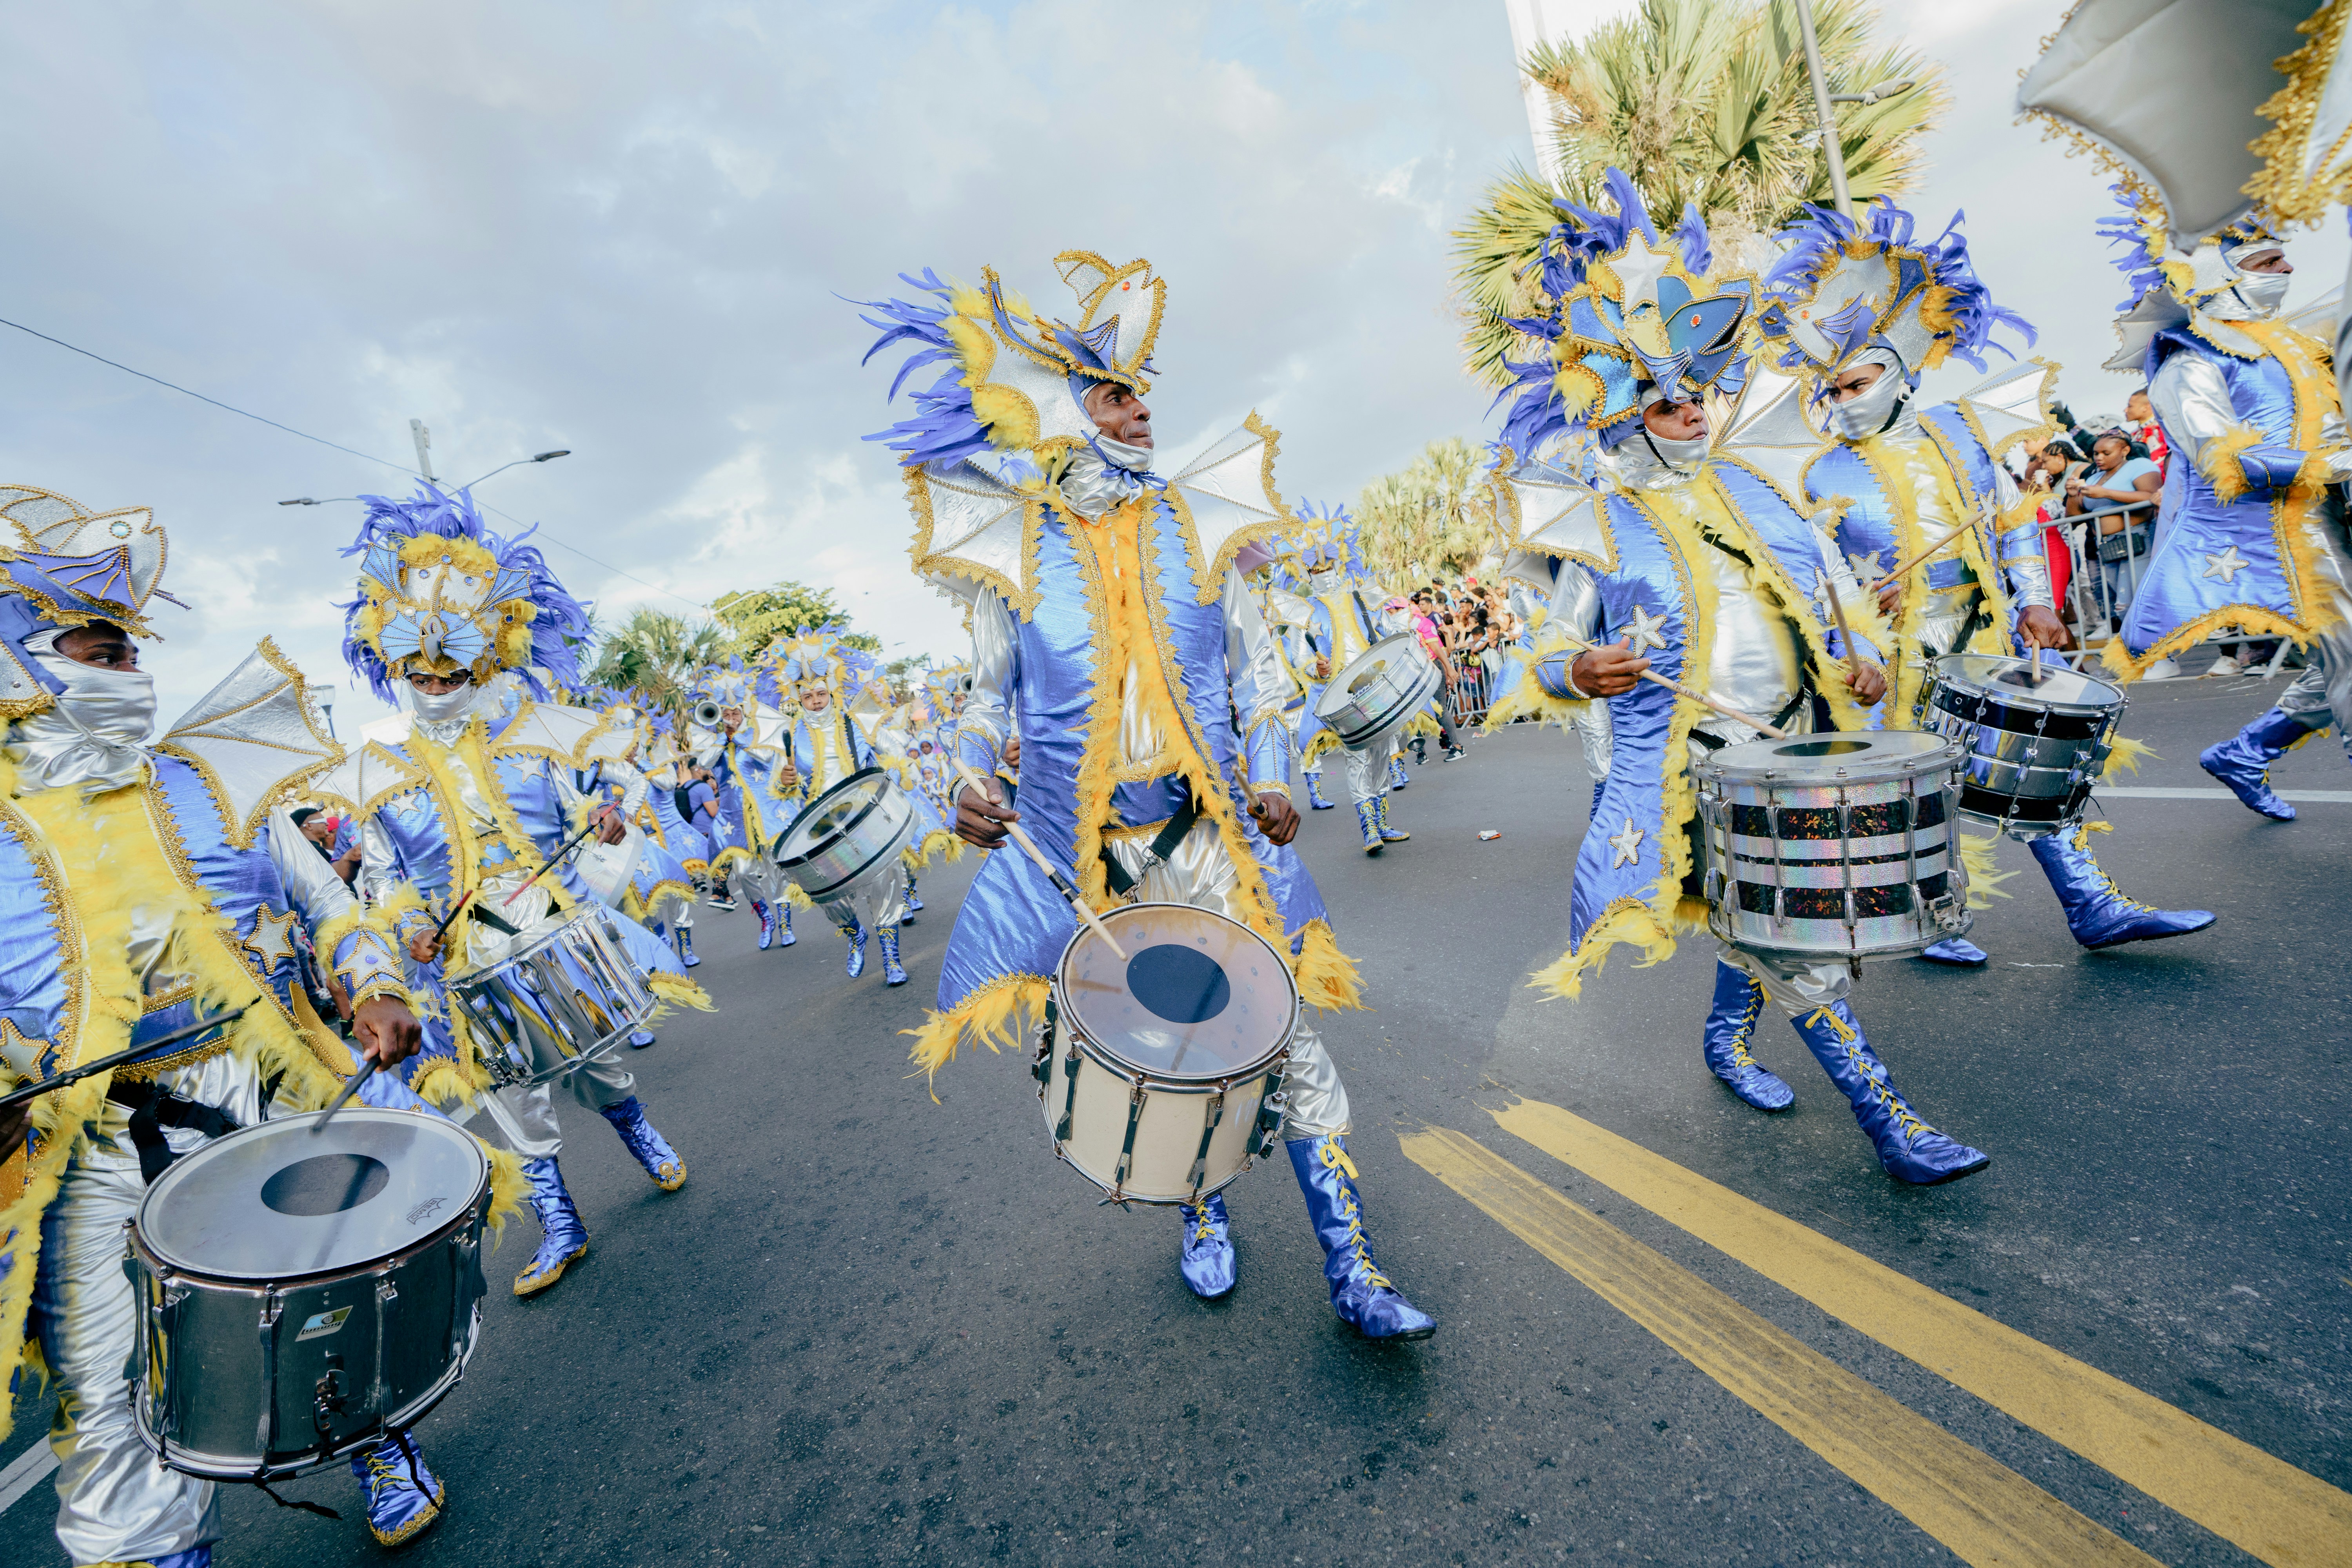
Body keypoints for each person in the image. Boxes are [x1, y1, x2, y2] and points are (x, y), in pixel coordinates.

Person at [857, 251, 1432, 1338]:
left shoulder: (1200, 523)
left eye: (1139, 392)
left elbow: (1258, 680)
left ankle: (1355, 1268)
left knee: (1290, 1039)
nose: (1141, 411)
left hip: (1213, 841)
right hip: (1094, 866)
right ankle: (1202, 1213)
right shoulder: (1015, 557)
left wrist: (1270, 775)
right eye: (1116, 393)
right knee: (1176, 1054)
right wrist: (969, 780)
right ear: (1059, 413)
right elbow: (986, 703)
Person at [0, 489, 498, 1560]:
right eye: (99, 648)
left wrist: (376, 987)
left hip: (262, 1093)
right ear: (21, 664)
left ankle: (378, 1445)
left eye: (132, 652)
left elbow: (335, 905)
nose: (129, 673)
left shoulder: (211, 774)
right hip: (85, 1152)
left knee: (335, 1287)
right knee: (108, 1392)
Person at [1495, 171, 1998, 1184]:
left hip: (1797, 751)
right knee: (1802, 951)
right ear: (1625, 409)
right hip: (1699, 772)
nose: (1691, 411)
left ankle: (1726, 1044)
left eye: (1700, 391)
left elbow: (1827, 596)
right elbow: (1538, 655)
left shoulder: (1761, 490)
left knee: (1770, 920)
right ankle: (1890, 1122)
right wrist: (1581, 668)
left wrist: (1855, 654)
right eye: (1667, 397)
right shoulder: (1595, 523)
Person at [1761, 197, 2213, 966]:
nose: (1843, 399)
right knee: (1909, 789)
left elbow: (2013, 521)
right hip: (1897, 656)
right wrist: (1859, 629)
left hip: (1985, 636)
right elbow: (1821, 578)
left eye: (1856, 381)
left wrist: (2036, 597)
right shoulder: (1821, 470)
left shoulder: (1963, 432)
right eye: (1831, 390)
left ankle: (2091, 904)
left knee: (2031, 765)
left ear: (1898, 372)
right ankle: (1925, 913)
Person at [322, 486, 709, 1298]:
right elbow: (386, 882)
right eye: (418, 671)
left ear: (486, 659)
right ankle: (560, 1218)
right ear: (394, 668)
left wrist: (608, 814)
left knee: (598, 1068)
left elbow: (606, 792)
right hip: (468, 962)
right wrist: (411, 933)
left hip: (560, 929)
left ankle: (638, 1134)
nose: (435, 681)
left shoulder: (535, 731)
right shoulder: (377, 778)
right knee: (511, 1097)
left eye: (452, 668)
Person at [2094, 198, 2352, 820]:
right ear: (2222, 274)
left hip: (2332, 518)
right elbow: (2227, 460)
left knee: (2344, 659)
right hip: (2280, 538)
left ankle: (2245, 750)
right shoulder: (2187, 360)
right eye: (2269, 260)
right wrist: (2338, 464)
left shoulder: (2289, 345)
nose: (2287, 269)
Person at [1292, 503, 1414, 853]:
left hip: (1377, 689)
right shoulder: (1307, 612)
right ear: (1307, 571)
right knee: (1358, 757)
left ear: (1338, 563)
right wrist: (1318, 669)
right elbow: (1301, 657)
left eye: (1327, 564)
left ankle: (1382, 820)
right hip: (1342, 699)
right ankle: (1369, 830)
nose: (1322, 571)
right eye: (1315, 567)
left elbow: (1386, 633)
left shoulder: (1360, 598)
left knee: (1381, 755)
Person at [2066, 429, 2163, 626]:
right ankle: (2140, 653)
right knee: (2118, 607)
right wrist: (2072, 495)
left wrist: (2106, 493)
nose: (2099, 458)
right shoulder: (2094, 477)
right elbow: (2074, 517)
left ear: (2125, 450)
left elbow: (2153, 495)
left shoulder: (2139, 465)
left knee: (2129, 605)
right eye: (2096, 454)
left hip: (2138, 540)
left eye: (2106, 453)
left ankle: (2160, 654)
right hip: (2109, 547)